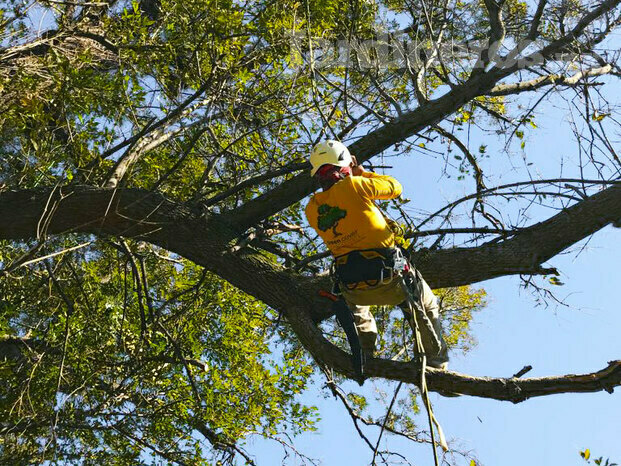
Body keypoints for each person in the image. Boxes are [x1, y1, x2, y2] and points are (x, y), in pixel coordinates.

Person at [305, 140, 449, 369]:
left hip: (355, 290)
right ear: (345, 164)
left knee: (356, 304)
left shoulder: (311, 208)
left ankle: (366, 351)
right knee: (428, 305)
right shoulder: (356, 185)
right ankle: (436, 363)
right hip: (392, 281)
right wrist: (361, 172)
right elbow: (395, 187)